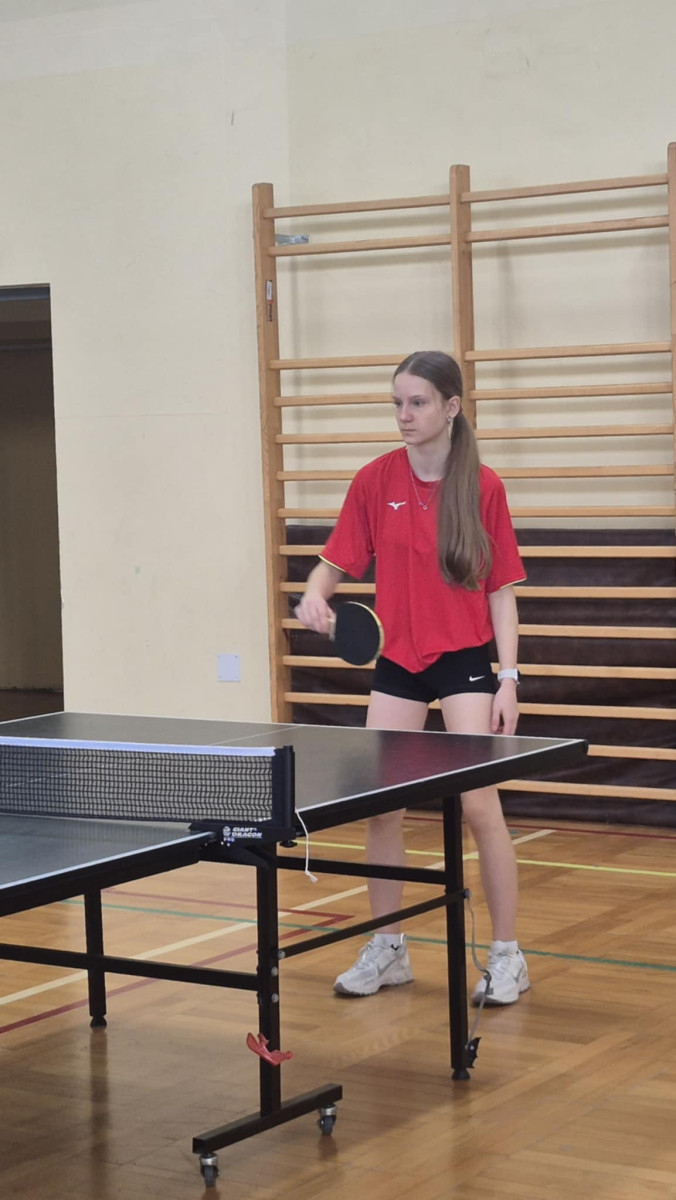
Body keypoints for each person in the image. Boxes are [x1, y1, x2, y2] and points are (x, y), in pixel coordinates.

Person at [295, 350, 528, 1006]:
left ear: (450, 407)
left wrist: (508, 678)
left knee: (479, 804)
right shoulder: (374, 480)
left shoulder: (482, 487)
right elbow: (333, 563)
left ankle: (507, 956)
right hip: (398, 662)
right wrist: (314, 594)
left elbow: (501, 591)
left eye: (417, 402)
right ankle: (388, 946)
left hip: (461, 660)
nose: (404, 414)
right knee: (382, 807)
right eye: (397, 402)